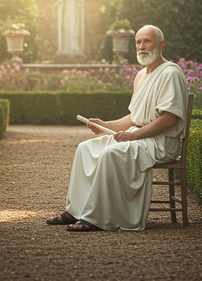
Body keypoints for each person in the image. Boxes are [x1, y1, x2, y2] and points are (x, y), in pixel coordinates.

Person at [45, 24, 189, 231]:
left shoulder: (170, 73)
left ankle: (97, 218)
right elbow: (135, 118)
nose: (142, 46)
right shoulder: (141, 75)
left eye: (147, 41)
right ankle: (75, 211)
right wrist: (104, 125)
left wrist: (135, 136)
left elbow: (169, 119)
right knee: (85, 149)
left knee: (110, 154)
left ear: (161, 44)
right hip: (139, 136)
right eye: (138, 42)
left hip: (161, 142)